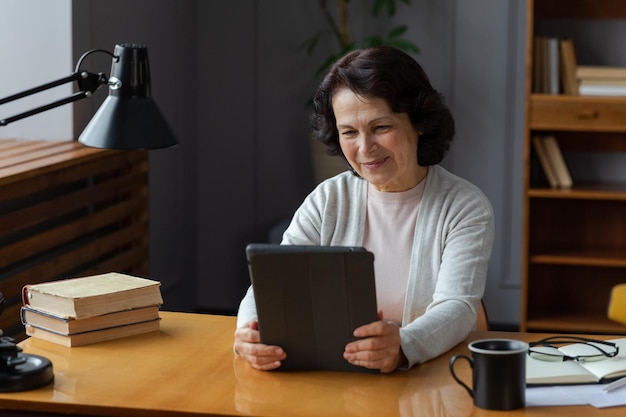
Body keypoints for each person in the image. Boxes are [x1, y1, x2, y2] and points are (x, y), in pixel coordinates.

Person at [234, 46, 494, 374]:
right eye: (349, 132)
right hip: (338, 379)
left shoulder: (464, 206)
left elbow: (457, 307)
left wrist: (403, 345)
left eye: (381, 127)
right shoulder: (327, 199)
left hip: (431, 378)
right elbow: (273, 285)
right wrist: (248, 332)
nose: (364, 148)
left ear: (420, 123)